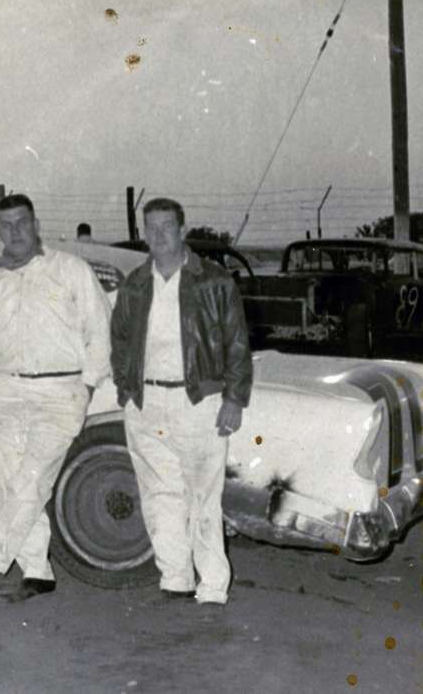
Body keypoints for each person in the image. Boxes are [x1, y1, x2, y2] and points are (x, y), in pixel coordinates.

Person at [110, 197, 252, 606]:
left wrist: (233, 398)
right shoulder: (136, 283)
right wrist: (127, 391)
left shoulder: (214, 281)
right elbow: (118, 340)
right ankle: (175, 577)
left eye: (166, 226)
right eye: (149, 228)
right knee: (159, 495)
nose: (157, 235)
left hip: (198, 401)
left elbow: (237, 343)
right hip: (146, 401)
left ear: (182, 229)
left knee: (203, 498)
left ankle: (211, 586)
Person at [0, 194, 111, 602]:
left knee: (32, 479)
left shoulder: (70, 270)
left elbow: (100, 329)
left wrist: (86, 386)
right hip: (5, 392)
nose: (14, 232)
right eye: (6, 225)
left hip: (59, 391)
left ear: (36, 224)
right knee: (12, 484)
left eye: (22, 223)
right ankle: (38, 571)